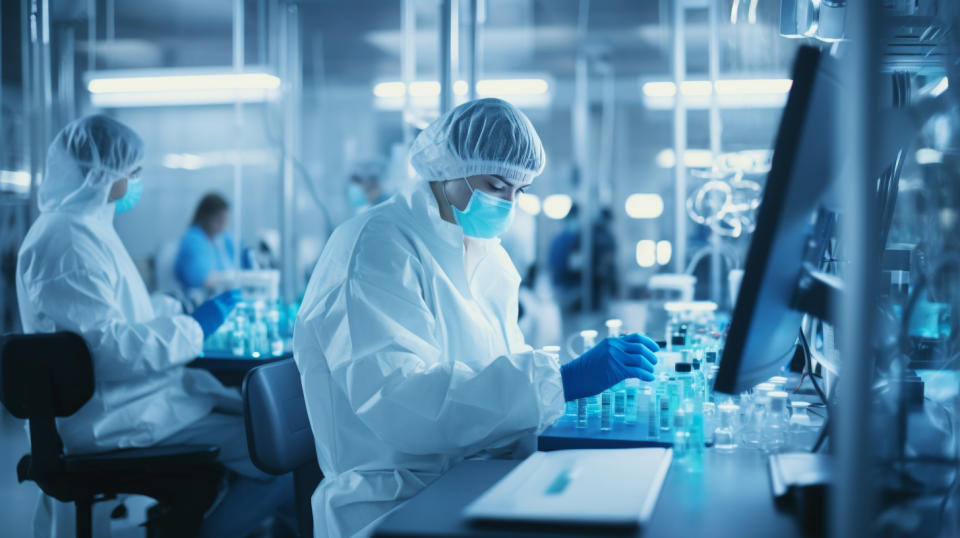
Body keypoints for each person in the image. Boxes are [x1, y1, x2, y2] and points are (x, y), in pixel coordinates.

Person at [294, 98, 659, 537]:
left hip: (470, 474)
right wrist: (559, 381)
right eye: (496, 184)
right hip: (393, 504)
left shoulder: (486, 255)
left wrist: (565, 396)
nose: (508, 203)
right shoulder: (376, 247)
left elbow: (497, 368)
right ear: (449, 166)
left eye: (519, 191)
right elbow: (403, 404)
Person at [16, 115, 291, 537]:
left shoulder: (86, 227)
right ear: (104, 172)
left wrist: (171, 308)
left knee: (247, 411)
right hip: (116, 418)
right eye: (133, 170)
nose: (137, 179)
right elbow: (108, 352)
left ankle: (199, 516)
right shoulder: (68, 240)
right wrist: (196, 327)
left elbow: (114, 319)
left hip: (131, 402)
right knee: (277, 450)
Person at [174, 193, 238, 295]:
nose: (223, 227)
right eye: (219, 221)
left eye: (224, 222)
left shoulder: (218, 240)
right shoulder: (193, 240)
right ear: (205, 217)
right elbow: (202, 280)